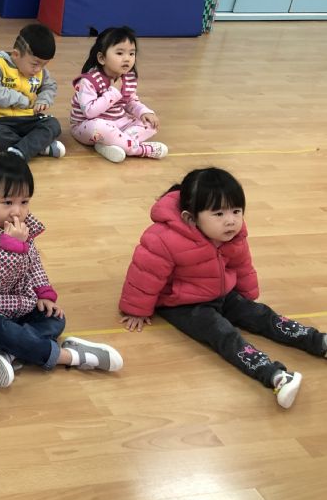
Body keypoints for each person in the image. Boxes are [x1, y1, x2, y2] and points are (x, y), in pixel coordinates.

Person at [120, 167, 325, 408]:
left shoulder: (234, 234)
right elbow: (145, 273)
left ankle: (318, 341)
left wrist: (247, 297)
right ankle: (275, 377)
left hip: (223, 293)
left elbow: (242, 264)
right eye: (218, 213)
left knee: (262, 315)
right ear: (190, 218)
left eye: (236, 211)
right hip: (185, 304)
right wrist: (136, 310)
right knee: (223, 334)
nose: (231, 220)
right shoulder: (163, 238)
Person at [0, 152, 122, 387]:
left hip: (21, 303)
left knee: (55, 319)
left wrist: (43, 292)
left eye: (24, 202)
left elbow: (33, 261)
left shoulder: (20, 225)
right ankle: (70, 356)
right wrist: (11, 247)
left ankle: (10, 351)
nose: (17, 211)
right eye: (7, 202)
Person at [69, 26, 167, 163]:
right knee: (101, 127)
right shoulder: (89, 81)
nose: (127, 59)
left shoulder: (128, 77)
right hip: (87, 126)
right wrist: (113, 92)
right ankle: (138, 150)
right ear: (102, 58)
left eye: (131, 54)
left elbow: (130, 102)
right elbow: (90, 112)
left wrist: (144, 112)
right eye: (120, 53)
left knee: (150, 124)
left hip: (117, 122)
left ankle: (112, 144)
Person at [0, 23, 66, 161]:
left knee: (53, 124)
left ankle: (19, 150)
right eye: (35, 64)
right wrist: (21, 100)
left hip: (28, 119)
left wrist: (44, 99)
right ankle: (37, 147)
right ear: (16, 54)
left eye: (44, 65)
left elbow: (50, 86)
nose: (38, 70)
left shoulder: (40, 71)